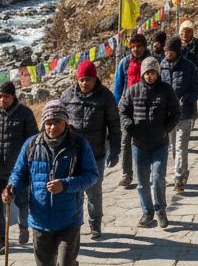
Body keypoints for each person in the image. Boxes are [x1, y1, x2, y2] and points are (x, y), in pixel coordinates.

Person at [4, 100, 98, 266]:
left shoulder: (78, 144)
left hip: (68, 218)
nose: (51, 127)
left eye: (56, 122)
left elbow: (91, 176)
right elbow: (19, 172)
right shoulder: (31, 145)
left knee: (66, 265)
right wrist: (12, 187)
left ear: (65, 122)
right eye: (48, 123)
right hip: (39, 220)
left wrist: (65, 185)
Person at [59, 60, 121, 239]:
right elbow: (58, 120)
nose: (84, 83)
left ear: (95, 79)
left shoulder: (105, 97)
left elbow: (114, 125)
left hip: (96, 155)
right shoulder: (67, 96)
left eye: (88, 79)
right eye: (81, 80)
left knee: (94, 193)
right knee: (74, 193)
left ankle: (95, 225)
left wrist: (115, 150)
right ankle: (74, 225)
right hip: (72, 155)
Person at [118, 56, 182, 228]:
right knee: (142, 182)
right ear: (142, 74)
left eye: (152, 73)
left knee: (159, 177)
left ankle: (161, 210)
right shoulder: (132, 91)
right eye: (146, 73)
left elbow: (176, 113)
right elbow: (122, 110)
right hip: (139, 145)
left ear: (157, 73)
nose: (149, 76)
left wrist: (165, 129)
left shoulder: (166, 90)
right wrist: (128, 126)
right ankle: (147, 212)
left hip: (160, 143)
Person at [0, 81, 38, 253]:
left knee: (21, 202)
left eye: (5, 96)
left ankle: (23, 226)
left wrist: (26, 162)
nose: (2, 100)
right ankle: (0, 238)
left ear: (13, 97)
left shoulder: (25, 114)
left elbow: (33, 140)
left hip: (18, 170)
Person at [159, 36, 198, 192]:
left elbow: (196, 90)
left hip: (185, 113)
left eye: (170, 51)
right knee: (174, 147)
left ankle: (178, 179)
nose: (167, 54)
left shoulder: (189, 67)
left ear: (176, 51)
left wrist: (186, 99)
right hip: (168, 115)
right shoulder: (161, 66)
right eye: (165, 51)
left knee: (181, 147)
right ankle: (183, 172)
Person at [112, 33, 148, 187]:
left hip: (148, 108)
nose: (135, 50)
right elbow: (118, 87)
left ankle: (145, 173)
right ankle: (127, 174)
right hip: (128, 108)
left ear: (144, 46)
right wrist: (116, 108)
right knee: (126, 141)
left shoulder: (151, 62)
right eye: (132, 47)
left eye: (138, 46)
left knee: (146, 142)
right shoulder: (125, 63)